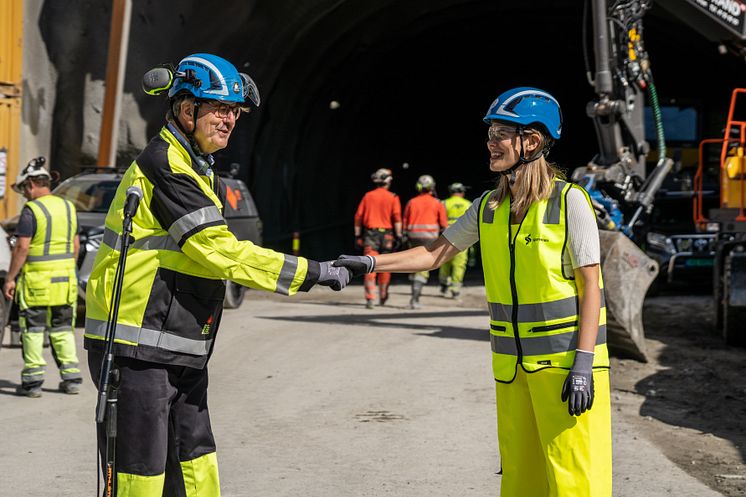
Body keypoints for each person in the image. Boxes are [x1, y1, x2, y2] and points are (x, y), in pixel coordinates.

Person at [84, 53, 350, 496]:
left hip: (176, 347)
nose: (229, 121)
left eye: (235, 113)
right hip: (138, 349)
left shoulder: (194, 166)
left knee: (195, 460)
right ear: (186, 110)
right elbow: (219, 251)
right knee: (141, 474)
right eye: (220, 109)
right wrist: (312, 271)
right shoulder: (166, 164)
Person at [335, 87, 612, 496]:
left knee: (575, 481)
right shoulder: (487, 208)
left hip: (565, 368)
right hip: (512, 369)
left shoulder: (570, 202)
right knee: (521, 479)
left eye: (501, 132)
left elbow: (593, 287)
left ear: (531, 141)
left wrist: (584, 364)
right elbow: (433, 253)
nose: (490, 142)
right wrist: (370, 263)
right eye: (490, 133)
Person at [3, 157, 83, 397]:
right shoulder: (69, 207)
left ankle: (33, 383)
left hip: (37, 284)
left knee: (33, 331)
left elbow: (22, 248)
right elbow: (75, 245)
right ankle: (71, 379)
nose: (24, 195)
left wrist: (10, 278)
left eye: (23, 189)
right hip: (65, 282)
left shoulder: (31, 211)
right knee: (62, 329)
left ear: (30, 184)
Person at [353, 168, 402, 309]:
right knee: (386, 266)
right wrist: (398, 235)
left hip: (371, 234)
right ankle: (383, 295)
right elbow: (397, 218)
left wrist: (357, 235)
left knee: (370, 266)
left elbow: (358, 217)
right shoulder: (393, 197)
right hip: (387, 235)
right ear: (388, 181)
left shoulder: (368, 196)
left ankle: (370, 298)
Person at [402, 174, 447, 309]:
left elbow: (405, 222)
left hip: (413, 238)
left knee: (413, 264)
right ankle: (415, 299)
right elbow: (444, 225)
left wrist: (404, 236)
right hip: (429, 239)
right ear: (432, 187)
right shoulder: (437, 203)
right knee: (422, 268)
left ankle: (414, 291)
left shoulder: (411, 202)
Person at [438, 182, 472, 299]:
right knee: (459, 264)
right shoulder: (469, 204)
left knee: (444, 261)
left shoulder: (444, 203)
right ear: (461, 191)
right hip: (464, 237)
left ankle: (443, 284)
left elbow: (440, 220)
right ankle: (455, 289)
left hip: (447, 236)